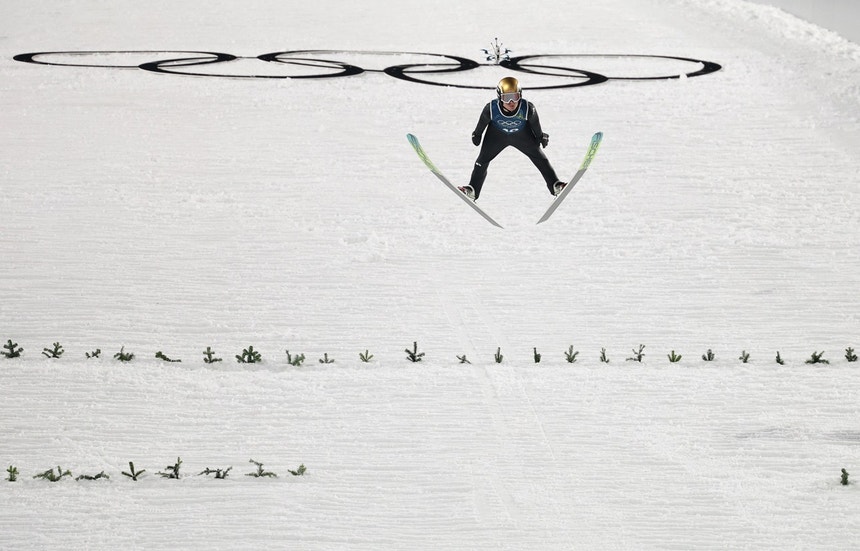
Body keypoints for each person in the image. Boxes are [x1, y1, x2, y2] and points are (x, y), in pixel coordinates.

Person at [459, 76, 566, 201]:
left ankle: (555, 185)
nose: (511, 102)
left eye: (514, 97)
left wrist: (540, 136)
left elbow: (535, 124)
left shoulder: (528, 108)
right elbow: (482, 123)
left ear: (520, 95)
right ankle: (473, 189)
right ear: (500, 97)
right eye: (506, 98)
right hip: (496, 136)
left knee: (541, 159)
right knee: (482, 161)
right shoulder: (491, 109)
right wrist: (477, 134)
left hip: (522, 136)